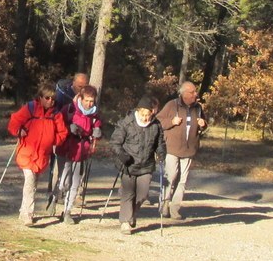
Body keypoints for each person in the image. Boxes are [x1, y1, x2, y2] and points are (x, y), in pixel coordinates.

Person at [7, 83, 68, 227]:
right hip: (27, 152)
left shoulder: (56, 115)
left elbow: (63, 133)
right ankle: (29, 214)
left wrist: (53, 140)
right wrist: (18, 131)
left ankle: (23, 211)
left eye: (53, 99)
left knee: (33, 183)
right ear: (40, 97)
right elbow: (14, 121)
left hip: (42, 155)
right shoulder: (30, 108)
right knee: (29, 180)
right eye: (47, 98)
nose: (50, 101)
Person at [110, 95, 166, 234]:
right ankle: (125, 221)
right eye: (143, 115)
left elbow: (160, 143)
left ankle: (132, 214)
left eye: (148, 115)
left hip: (146, 165)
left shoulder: (156, 125)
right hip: (128, 164)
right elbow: (115, 143)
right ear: (138, 111)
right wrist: (122, 156)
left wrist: (161, 152)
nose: (145, 118)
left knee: (142, 194)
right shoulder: (126, 123)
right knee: (128, 193)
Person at [52, 84, 103, 224]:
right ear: (80, 98)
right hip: (66, 149)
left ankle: (67, 211)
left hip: (81, 151)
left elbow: (97, 129)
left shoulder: (95, 115)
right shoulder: (69, 109)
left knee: (75, 182)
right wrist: (69, 128)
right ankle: (55, 196)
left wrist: (97, 133)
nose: (89, 104)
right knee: (64, 181)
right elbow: (57, 125)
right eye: (86, 100)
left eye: (91, 101)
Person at [157, 81, 208, 220]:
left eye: (195, 92)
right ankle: (165, 204)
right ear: (184, 94)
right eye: (192, 92)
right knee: (171, 177)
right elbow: (158, 121)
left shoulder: (198, 108)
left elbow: (203, 123)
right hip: (172, 148)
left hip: (189, 149)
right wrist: (171, 122)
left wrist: (203, 124)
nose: (195, 94)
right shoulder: (172, 105)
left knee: (182, 180)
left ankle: (175, 208)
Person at [46, 71, 90, 198]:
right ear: (73, 83)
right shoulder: (62, 95)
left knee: (77, 166)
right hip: (62, 133)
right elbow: (56, 112)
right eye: (80, 86)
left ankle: (74, 193)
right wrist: (65, 126)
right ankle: (54, 190)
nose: (82, 89)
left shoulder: (87, 96)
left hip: (80, 138)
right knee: (59, 164)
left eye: (85, 86)